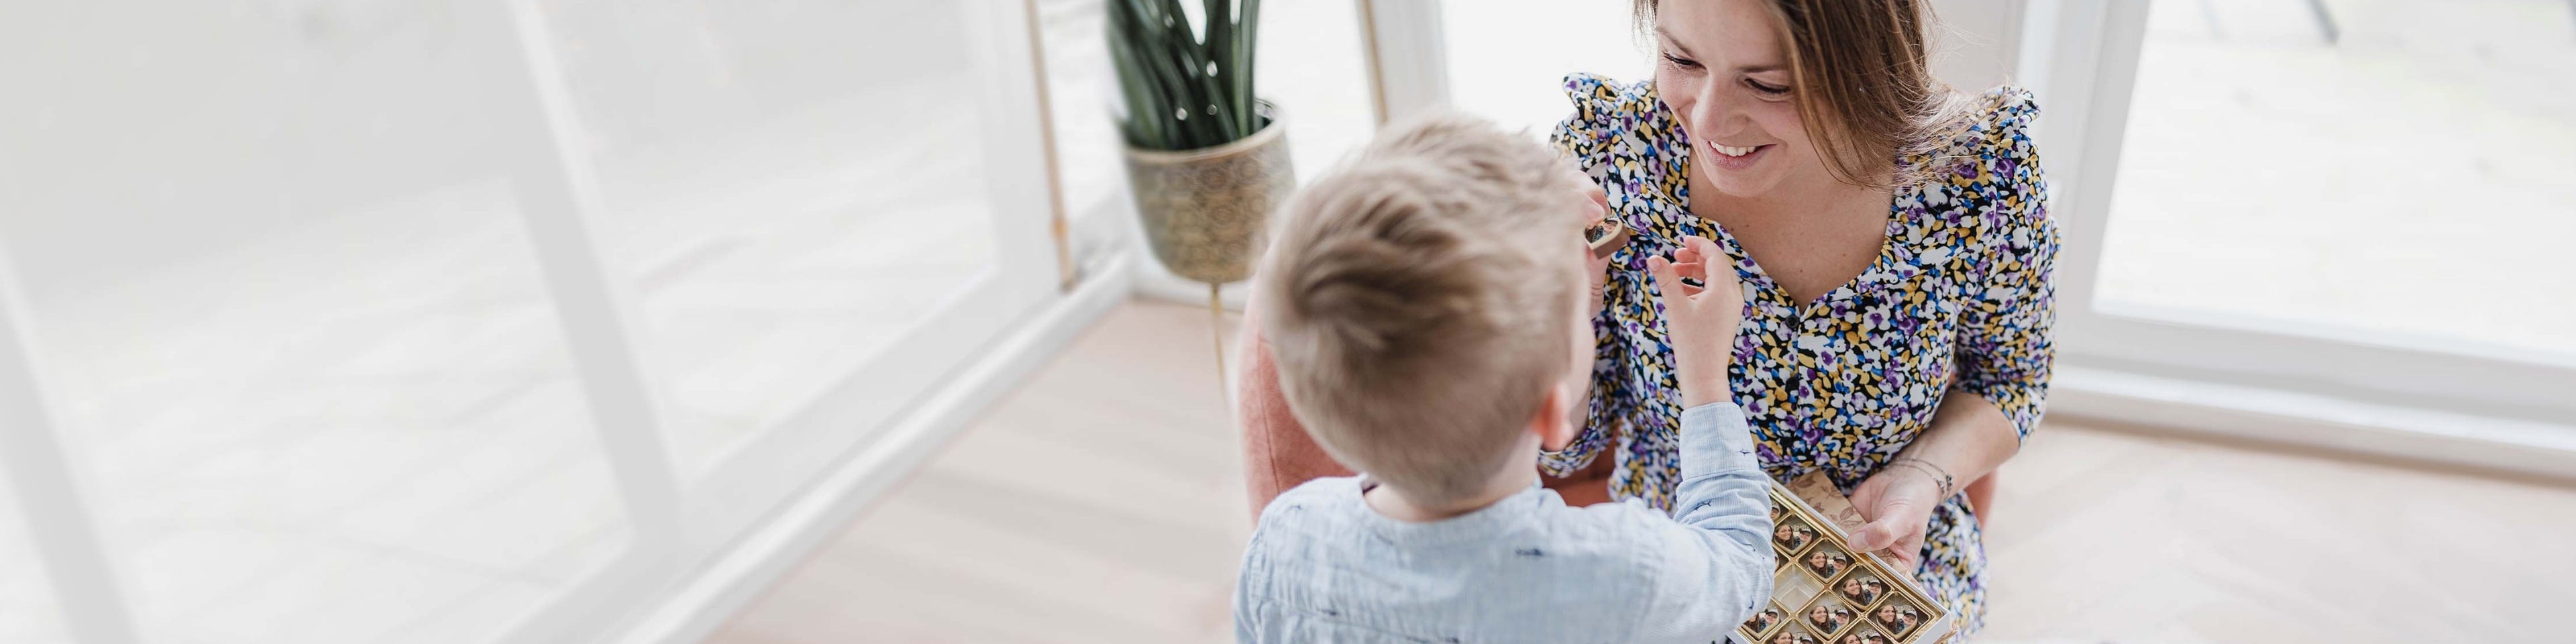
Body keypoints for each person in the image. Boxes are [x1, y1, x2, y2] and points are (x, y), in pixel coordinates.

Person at [1239, 0, 2055, 635]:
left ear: (1864, 69)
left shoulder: (1981, 176)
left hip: (1886, 568)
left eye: (1767, 84)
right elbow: (1561, 447)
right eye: (1679, 58)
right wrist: (1583, 302)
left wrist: (1922, 477)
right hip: (1677, 561)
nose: (1706, 122)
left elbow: (2013, 382)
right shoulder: (1614, 157)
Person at [1230, 112, 1772, 644]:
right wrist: (1704, 381)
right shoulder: (1622, 572)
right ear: (1553, 412)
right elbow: (1739, 563)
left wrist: (1565, 306)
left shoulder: (1287, 536)